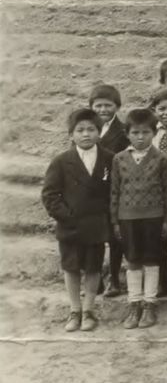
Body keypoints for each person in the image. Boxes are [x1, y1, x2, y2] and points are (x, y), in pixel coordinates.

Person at [41, 108, 114, 332]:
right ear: (71, 134)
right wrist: (67, 216)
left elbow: (114, 191)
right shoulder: (61, 161)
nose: (86, 134)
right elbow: (50, 195)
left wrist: (106, 217)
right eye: (80, 130)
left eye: (91, 129)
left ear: (99, 132)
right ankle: (75, 310)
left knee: (93, 267)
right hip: (70, 226)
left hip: (96, 225)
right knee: (71, 268)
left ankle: (89, 310)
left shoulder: (109, 159)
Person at [109, 108, 167, 328]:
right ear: (127, 134)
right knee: (133, 260)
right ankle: (134, 302)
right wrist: (115, 221)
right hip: (127, 218)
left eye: (145, 132)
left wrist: (166, 220)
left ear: (154, 133)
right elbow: (115, 191)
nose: (140, 137)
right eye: (135, 132)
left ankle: (149, 303)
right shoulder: (119, 159)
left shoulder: (161, 159)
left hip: (154, 218)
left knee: (152, 259)